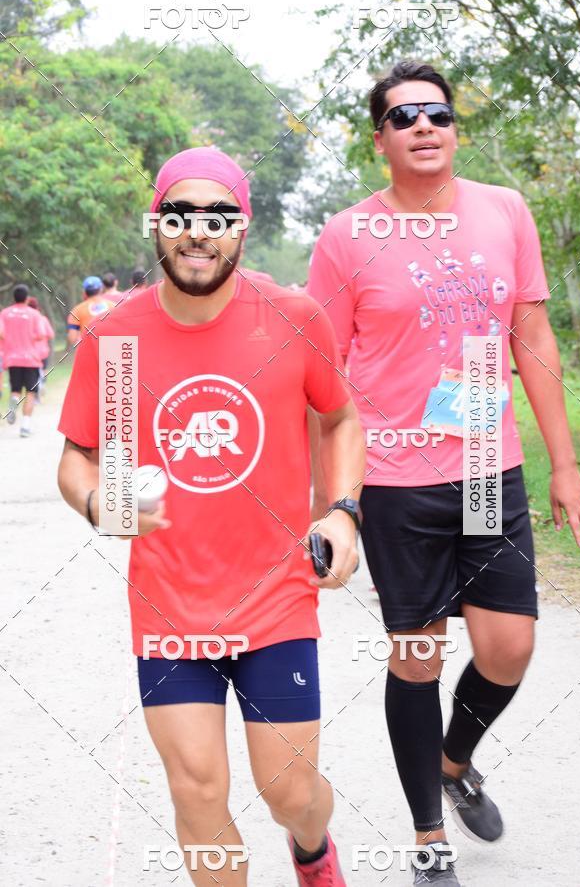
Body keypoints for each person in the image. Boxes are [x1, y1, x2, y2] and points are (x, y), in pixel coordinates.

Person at [307, 60, 580, 886]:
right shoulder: (347, 235)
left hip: (482, 462)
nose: (424, 126)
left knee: (509, 646)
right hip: (393, 475)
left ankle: (453, 758)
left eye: (437, 113)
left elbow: (532, 336)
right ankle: (429, 836)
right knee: (417, 656)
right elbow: (320, 377)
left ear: (455, 129)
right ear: (381, 141)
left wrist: (566, 467)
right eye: (405, 117)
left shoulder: (504, 209)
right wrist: (323, 503)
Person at [57, 146, 365, 887]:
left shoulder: (293, 318)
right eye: (178, 214)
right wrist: (102, 500)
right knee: (196, 789)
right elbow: (77, 459)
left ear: (242, 228)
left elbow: (340, 416)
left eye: (217, 215)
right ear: (156, 226)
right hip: (169, 605)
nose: (198, 230)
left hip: (275, 598)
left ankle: (312, 847)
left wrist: (344, 512)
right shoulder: (116, 336)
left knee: (289, 791)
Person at [0, 283, 45, 436]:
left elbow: (1, 332)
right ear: (27, 298)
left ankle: (13, 402)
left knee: (15, 390)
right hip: (31, 359)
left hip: (12, 358)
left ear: (14, 298)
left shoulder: (5, 313)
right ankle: (25, 427)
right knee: (31, 393)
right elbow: (41, 334)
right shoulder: (34, 314)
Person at [66, 276, 115, 347]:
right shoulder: (114, 306)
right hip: (110, 349)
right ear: (101, 289)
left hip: (89, 351)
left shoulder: (77, 310)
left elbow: (72, 338)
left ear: (84, 291)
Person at [27, 296, 55, 399]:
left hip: (30, 352)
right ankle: (42, 384)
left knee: (33, 372)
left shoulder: (26, 320)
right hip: (43, 351)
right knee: (43, 370)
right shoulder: (43, 319)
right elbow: (51, 334)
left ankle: (37, 388)